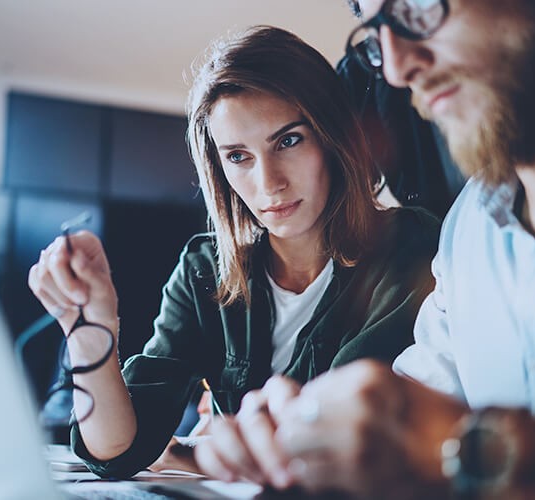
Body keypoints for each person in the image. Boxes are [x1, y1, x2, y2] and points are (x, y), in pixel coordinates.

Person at [195, 0, 535, 497]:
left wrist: (490, 449)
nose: (398, 70)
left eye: (418, 7)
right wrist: (303, 438)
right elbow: (409, 416)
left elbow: (442, 441)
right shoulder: (468, 231)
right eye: (378, 33)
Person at [27, 25, 440, 478]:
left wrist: (196, 454)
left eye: (288, 140)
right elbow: (117, 451)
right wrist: (89, 328)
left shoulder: (406, 246)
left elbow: (331, 429)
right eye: (239, 156)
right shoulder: (205, 269)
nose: (269, 183)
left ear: (332, 137)